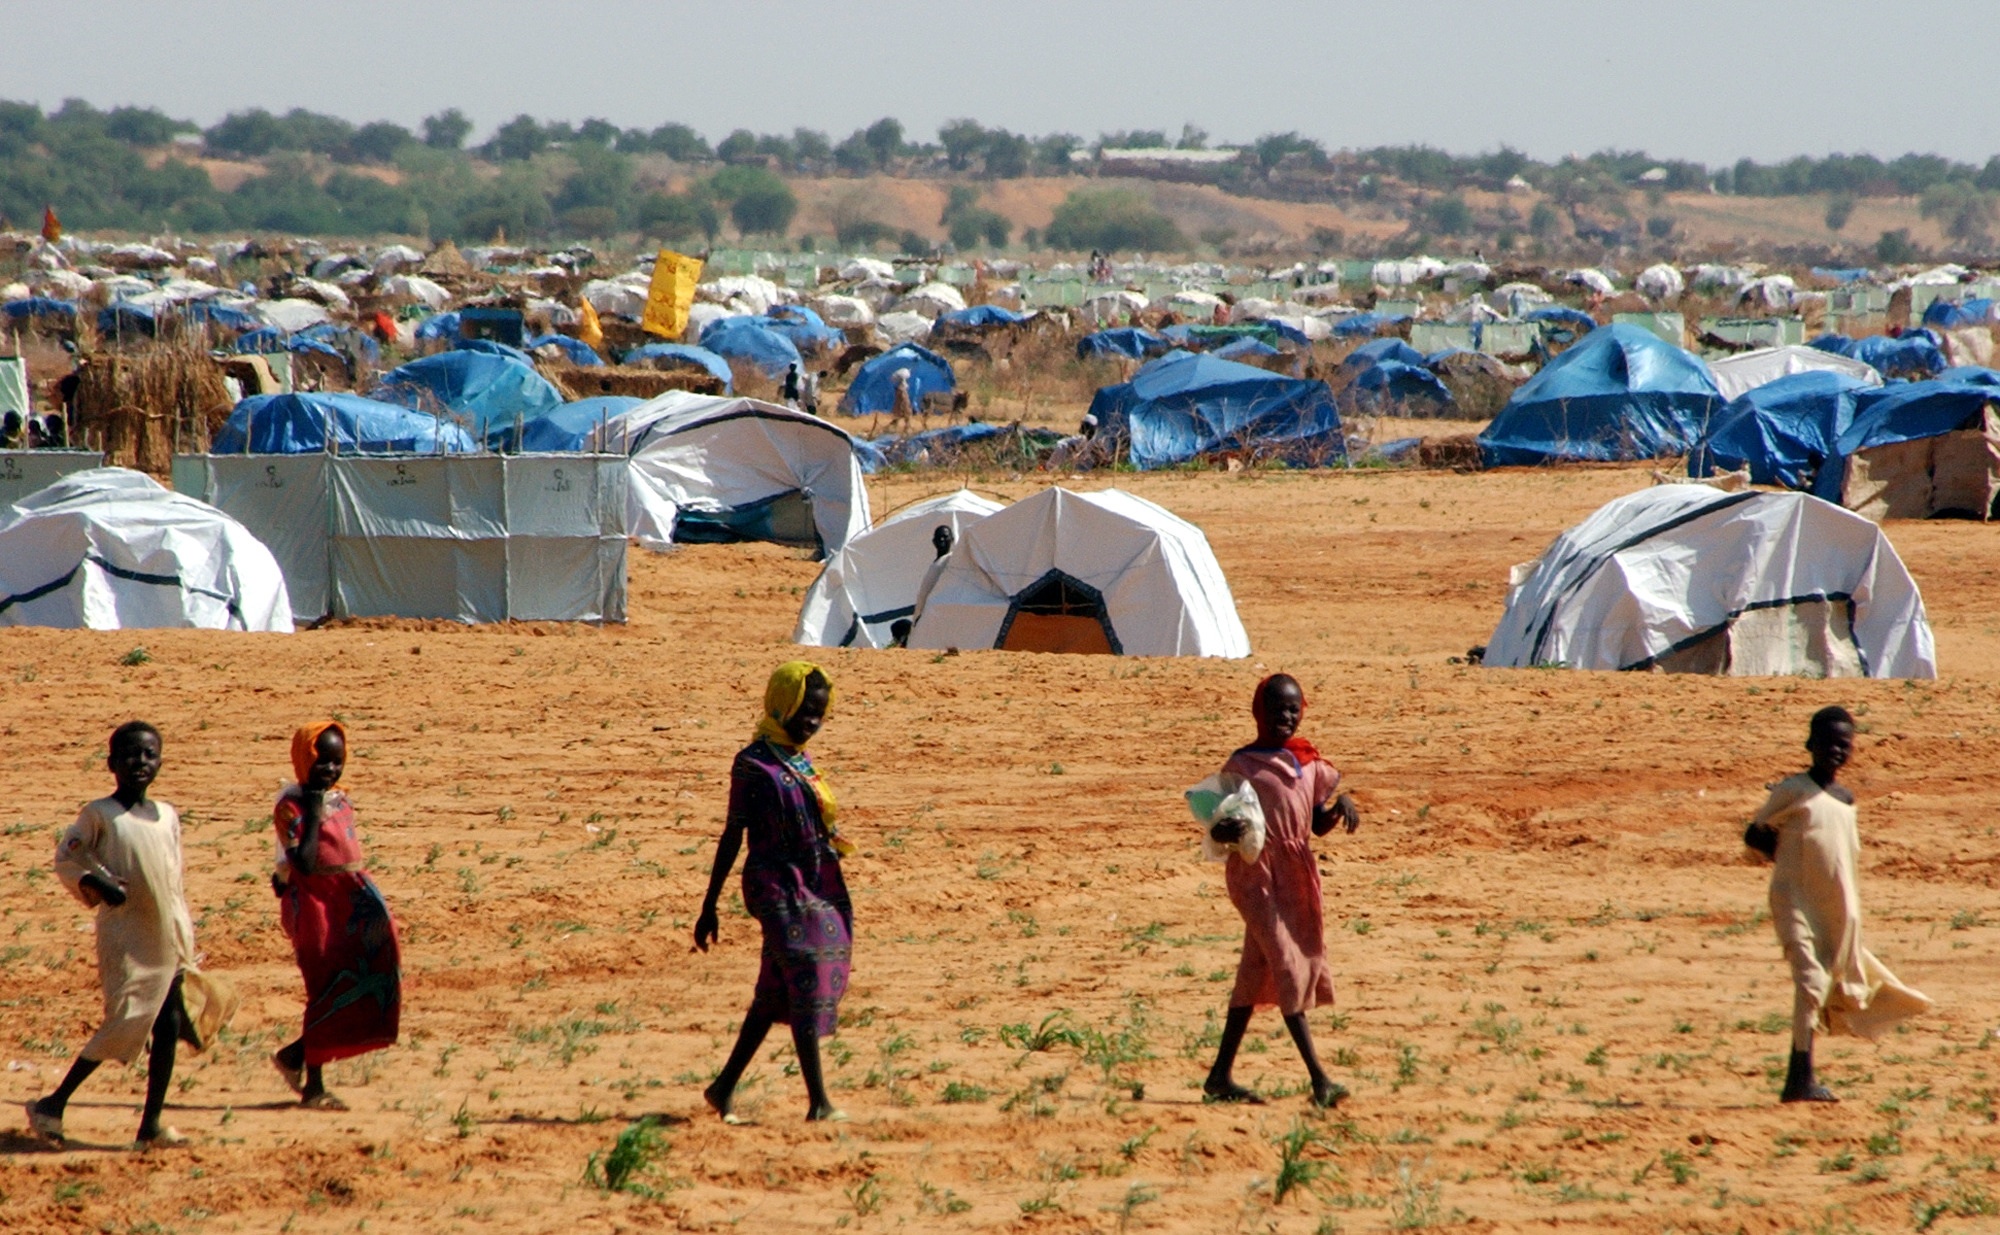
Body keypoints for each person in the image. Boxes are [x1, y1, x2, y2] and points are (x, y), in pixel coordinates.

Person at [1743, 706, 1930, 1103]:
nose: (1834, 751)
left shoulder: (1846, 801)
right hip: (1794, 900)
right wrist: (1782, 855)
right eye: (1826, 743)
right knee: (1810, 982)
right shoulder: (1792, 790)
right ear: (1810, 745)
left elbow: (1844, 857)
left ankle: (1802, 1074)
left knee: (1832, 981)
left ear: (1852, 751)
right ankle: (1799, 1078)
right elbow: (1755, 834)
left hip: (1836, 906)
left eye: (1843, 745)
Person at [696, 662, 853, 1122]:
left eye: (818, 715)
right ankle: (819, 1102)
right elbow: (732, 835)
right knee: (806, 972)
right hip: (773, 886)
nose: (811, 723)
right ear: (782, 705)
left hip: (811, 883)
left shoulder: (800, 761)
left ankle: (723, 1088)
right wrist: (709, 906)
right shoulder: (752, 764)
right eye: (804, 712)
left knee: (773, 993)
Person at [28, 721, 197, 1148]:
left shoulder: (167, 816)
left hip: (165, 934)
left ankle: (150, 1126)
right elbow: (68, 857)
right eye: (129, 755)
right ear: (111, 763)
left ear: (160, 760)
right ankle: (53, 1102)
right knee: (126, 1020)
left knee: (168, 1021)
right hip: (127, 936)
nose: (140, 763)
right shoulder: (99, 814)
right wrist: (96, 884)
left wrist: (182, 936)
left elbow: (173, 882)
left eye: (149, 754)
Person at [1203, 675, 1360, 1108]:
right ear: (1259, 714)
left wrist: (1339, 806)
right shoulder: (1242, 766)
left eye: (1293, 710)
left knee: (1253, 975)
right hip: (1255, 875)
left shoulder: (1308, 764)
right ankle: (1319, 1079)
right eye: (1276, 711)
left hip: (1295, 876)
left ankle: (1220, 1076)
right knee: (1289, 967)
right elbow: (1217, 825)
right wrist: (1223, 826)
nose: (1285, 718)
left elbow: (1316, 824)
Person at [269, 721, 402, 1110]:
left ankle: (296, 1055)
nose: (329, 770)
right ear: (302, 759)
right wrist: (311, 808)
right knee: (324, 985)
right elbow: (305, 862)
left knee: (371, 974)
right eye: (320, 761)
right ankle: (313, 1086)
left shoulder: (341, 801)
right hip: (316, 905)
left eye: (336, 761)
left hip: (353, 901)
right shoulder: (291, 807)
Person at [910, 524, 955, 630]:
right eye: (939, 537)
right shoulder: (936, 564)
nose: (942, 540)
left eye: (945, 536)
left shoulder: (951, 561)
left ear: (952, 540)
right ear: (934, 541)